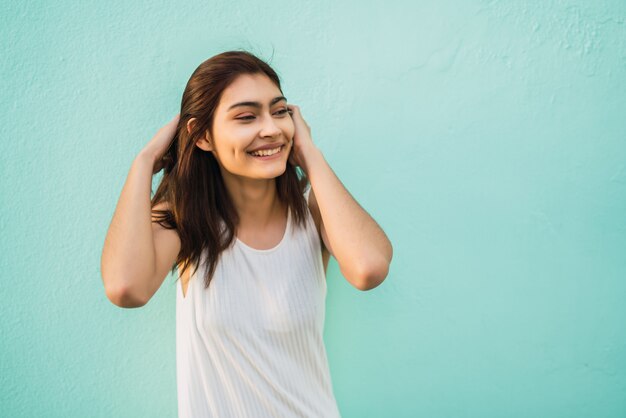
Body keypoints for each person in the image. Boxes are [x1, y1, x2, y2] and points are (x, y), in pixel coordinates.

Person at [101, 50, 393, 417]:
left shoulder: (313, 209)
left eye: (280, 110)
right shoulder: (184, 218)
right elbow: (126, 288)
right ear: (202, 135)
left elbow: (369, 268)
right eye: (246, 116)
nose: (271, 128)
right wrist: (144, 162)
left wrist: (309, 154)